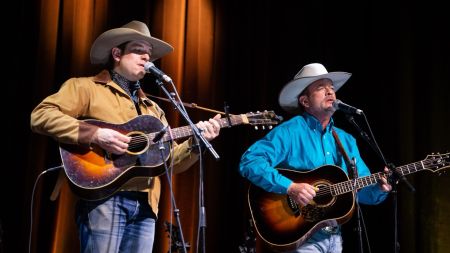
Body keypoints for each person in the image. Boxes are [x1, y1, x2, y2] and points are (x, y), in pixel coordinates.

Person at [30, 20, 221, 253]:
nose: (146, 58)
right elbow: (40, 115)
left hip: (146, 206)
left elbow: (169, 162)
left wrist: (197, 141)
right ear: (117, 54)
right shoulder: (85, 88)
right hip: (104, 198)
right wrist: (96, 134)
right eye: (139, 50)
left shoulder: (154, 109)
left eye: (149, 54)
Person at [238, 63, 392, 253]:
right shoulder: (290, 132)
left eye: (332, 88)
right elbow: (250, 161)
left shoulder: (346, 140)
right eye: (321, 88)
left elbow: (360, 190)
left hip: (335, 237)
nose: (330, 92)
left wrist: (379, 188)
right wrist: (291, 187)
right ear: (305, 101)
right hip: (299, 236)